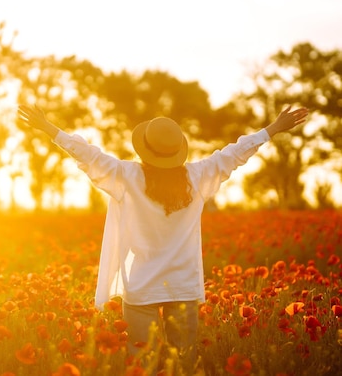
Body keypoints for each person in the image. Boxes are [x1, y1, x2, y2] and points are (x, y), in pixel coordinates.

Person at [18, 104, 309, 374]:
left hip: (142, 284)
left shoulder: (127, 175)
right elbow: (234, 154)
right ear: (176, 150)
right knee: (182, 363)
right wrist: (272, 128)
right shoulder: (197, 176)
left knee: (141, 363)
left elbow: (87, 155)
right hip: (183, 285)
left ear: (146, 149)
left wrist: (49, 128)